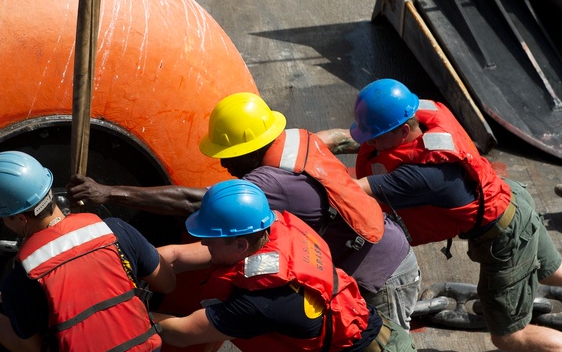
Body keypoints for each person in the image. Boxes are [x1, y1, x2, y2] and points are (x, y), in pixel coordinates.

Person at [350, 78, 562, 352]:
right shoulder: (424, 115)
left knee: (511, 335)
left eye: (375, 137)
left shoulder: (423, 176)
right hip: (511, 199)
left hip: (503, 237)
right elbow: (364, 139)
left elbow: (351, 189)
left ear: (404, 130)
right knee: (556, 269)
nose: (369, 144)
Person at [68, 92, 422, 329]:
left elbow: (197, 201)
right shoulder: (296, 138)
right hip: (375, 248)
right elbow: (333, 139)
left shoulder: (270, 183)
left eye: (228, 154)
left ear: (251, 148)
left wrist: (109, 192)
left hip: (383, 273)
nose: (222, 163)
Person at [153, 179, 419, 352]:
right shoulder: (268, 232)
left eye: (210, 237)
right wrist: (129, 260)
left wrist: (124, 310)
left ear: (240, 243)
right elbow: (177, 257)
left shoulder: (262, 301)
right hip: (356, 351)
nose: (204, 243)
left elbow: (183, 333)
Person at [0, 151, 176, 352]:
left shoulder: (19, 280)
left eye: (3, 218)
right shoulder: (116, 230)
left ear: (20, 219)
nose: (4, 224)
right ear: (48, 190)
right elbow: (167, 283)